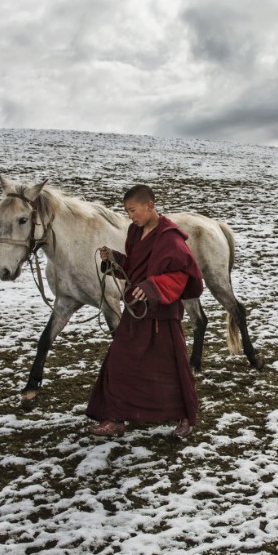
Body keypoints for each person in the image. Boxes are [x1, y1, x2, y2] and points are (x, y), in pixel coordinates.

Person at [87, 185, 204, 439]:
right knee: (119, 361)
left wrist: (152, 287)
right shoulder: (134, 232)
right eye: (128, 212)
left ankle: (185, 418)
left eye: (133, 210)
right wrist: (114, 260)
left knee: (173, 368)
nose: (131, 216)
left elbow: (183, 275)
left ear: (149, 205)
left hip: (163, 315)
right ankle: (115, 418)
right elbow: (135, 267)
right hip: (135, 310)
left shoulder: (170, 238)